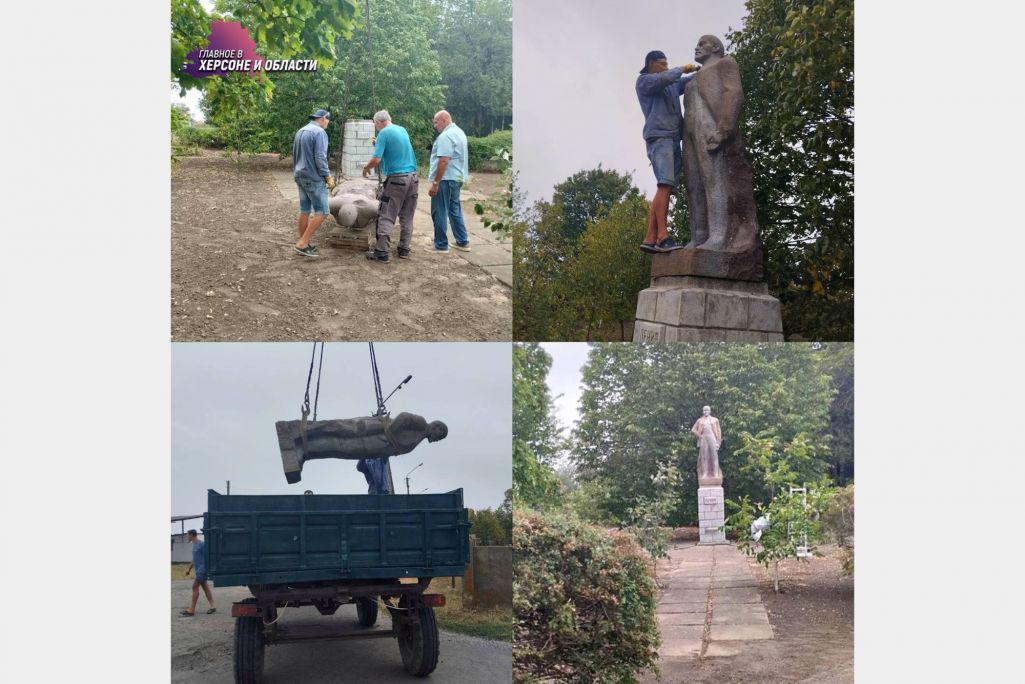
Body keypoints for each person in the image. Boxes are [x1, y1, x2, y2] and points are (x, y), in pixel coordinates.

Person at [681, 35, 760, 251]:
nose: (696, 47)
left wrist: (724, 128)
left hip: (711, 126)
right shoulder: (692, 79)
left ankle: (719, 236)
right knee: (693, 183)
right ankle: (698, 235)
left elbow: (733, 92)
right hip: (688, 130)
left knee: (713, 179)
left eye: (702, 43)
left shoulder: (725, 63)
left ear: (715, 47)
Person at [635, 51, 699, 254]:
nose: (665, 67)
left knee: (666, 188)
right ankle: (663, 236)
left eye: (667, 64)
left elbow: (686, 82)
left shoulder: (671, 83)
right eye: (662, 64)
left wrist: (704, 71)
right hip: (659, 137)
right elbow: (666, 77)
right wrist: (681, 69)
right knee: (664, 184)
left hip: (673, 138)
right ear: (651, 64)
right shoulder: (644, 81)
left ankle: (650, 237)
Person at [275, 412, 448, 483]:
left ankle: (304, 451)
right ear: (436, 427)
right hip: (375, 431)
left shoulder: (420, 438)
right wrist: (389, 434)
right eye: (439, 436)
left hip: (375, 446)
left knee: (340, 448)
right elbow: (403, 417)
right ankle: (297, 430)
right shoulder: (421, 423)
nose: (436, 440)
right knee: (339, 429)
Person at [362, 110, 419, 262]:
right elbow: (397, 149)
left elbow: (376, 160)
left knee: (386, 215)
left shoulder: (384, 133)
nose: (376, 127)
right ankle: (404, 249)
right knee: (407, 216)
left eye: (375, 124)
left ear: (379, 122)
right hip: (413, 178)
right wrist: (378, 143)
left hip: (397, 180)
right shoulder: (402, 129)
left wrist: (366, 168)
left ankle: (381, 253)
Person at [425, 110, 471, 254]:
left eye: (436, 122)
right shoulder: (460, 132)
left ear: (444, 120)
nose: (435, 125)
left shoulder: (446, 136)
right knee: (454, 210)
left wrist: (435, 183)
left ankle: (440, 245)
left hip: (446, 179)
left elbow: (444, 160)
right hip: (457, 178)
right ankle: (462, 241)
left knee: (439, 211)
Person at [292, 108, 334, 257]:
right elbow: (320, 158)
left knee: (304, 209)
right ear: (323, 118)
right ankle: (302, 243)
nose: (328, 122)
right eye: (328, 120)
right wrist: (328, 176)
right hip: (313, 177)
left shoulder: (301, 131)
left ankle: (303, 243)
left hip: (299, 175)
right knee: (323, 211)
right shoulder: (319, 133)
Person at [180, 530, 216, 616]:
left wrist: (204, 569)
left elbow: (208, 557)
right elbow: (195, 559)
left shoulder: (201, 544)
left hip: (202, 570)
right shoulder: (194, 545)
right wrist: (189, 569)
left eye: (187, 535)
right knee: (205, 588)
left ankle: (191, 610)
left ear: (192, 535)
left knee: (194, 587)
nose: (187, 537)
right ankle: (213, 606)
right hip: (198, 569)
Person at [691, 405, 723, 486]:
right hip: (703, 438)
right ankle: (705, 473)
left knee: (714, 456)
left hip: (712, 438)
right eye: (704, 410)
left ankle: (715, 473)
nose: (706, 412)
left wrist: (718, 442)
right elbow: (693, 430)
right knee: (704, 456)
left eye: (707, 410)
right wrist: (699, 436)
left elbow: (719, 432)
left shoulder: (715, 420)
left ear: (710, 411)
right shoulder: (700, 421)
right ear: (703, 411)